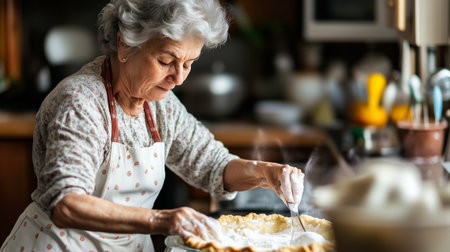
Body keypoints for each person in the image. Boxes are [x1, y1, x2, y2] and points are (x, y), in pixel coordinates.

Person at [0, 0, 305, 251]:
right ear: (125, 44)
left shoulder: (160, 105)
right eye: (166, 60)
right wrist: (162, 220)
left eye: (189, 63)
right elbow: (66, 204)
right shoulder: (80, 102)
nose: (179, 77)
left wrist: (265, 172)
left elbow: (214, 166)